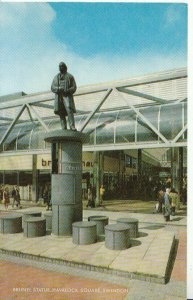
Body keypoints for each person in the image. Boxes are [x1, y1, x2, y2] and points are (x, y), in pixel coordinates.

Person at [51, 62, 77, 131]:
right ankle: (64, 127)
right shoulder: (56, 77)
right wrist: (59, 88)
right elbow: (52, 87)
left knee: (69, 109)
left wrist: (68, 90)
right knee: (61, 112)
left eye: (62, 66)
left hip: (67, 96)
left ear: (65, 67)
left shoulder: (70, 76)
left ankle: (72, 126)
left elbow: (74, 87)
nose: (60, 67)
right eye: (59, 66)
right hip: (59, 96)